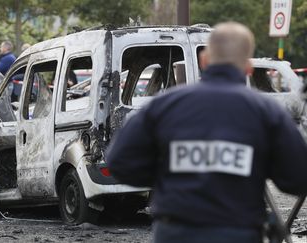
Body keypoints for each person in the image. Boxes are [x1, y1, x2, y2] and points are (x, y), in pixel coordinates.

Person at [106, 22, 307, 243]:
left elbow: (120, 162)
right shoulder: (268, 113)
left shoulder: (164, 106)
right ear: (248, 67)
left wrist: (168, 175)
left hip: (176, 233)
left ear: (205, 60)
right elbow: (297, 178)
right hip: (237, 233)